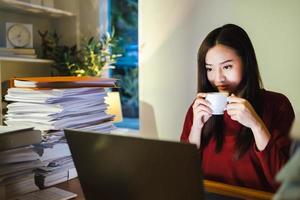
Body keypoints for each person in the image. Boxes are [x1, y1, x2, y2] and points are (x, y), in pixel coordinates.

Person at [180, 24, 295, 192]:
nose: (218, 78)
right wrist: (196, 128)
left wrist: (256, 125)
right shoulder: (199, 108)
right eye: (209, 69)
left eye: (227, 67)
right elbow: (183, 175)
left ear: (246, 62)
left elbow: (285, 184)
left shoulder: (277, 105)